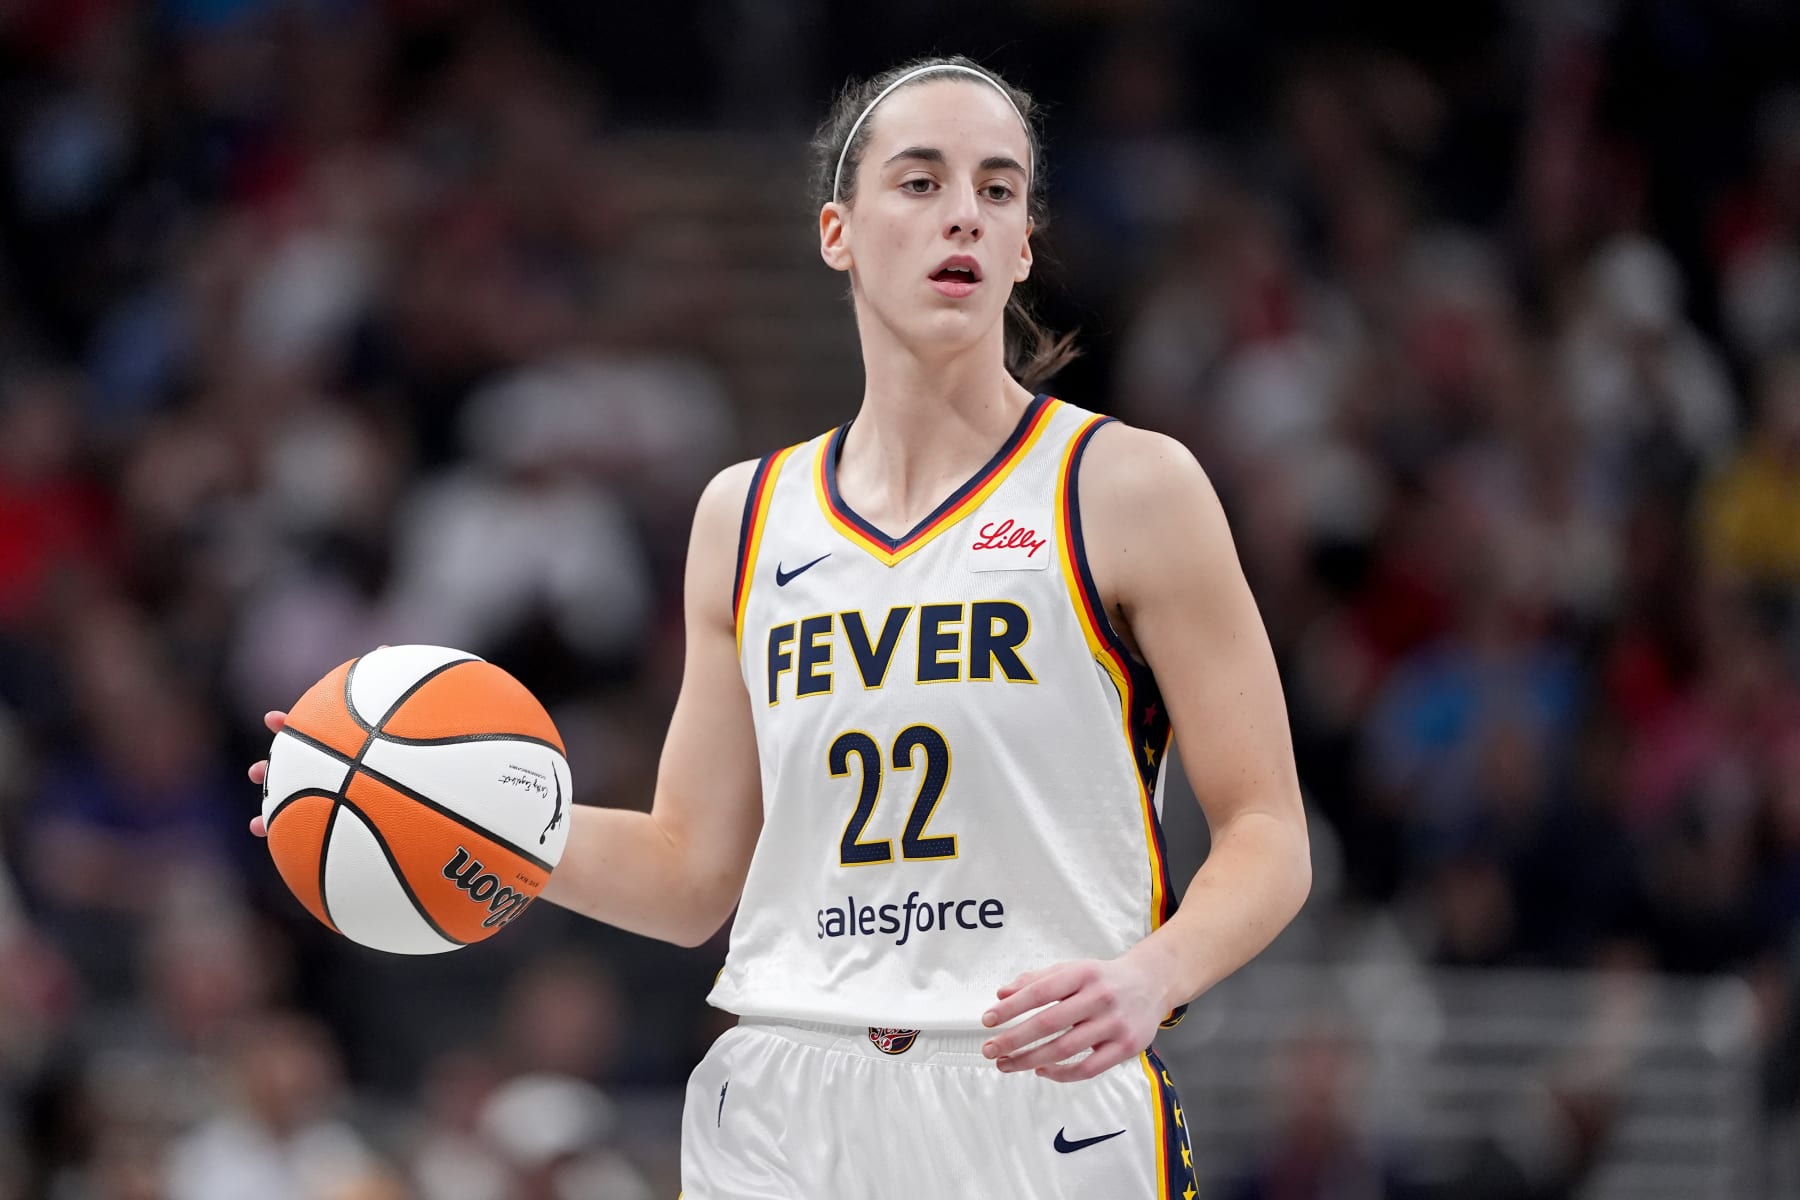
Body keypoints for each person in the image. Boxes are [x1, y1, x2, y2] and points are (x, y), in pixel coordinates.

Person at [250, 54, 1312, 1198]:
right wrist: (438, 802)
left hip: (1035, 1080)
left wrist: (1155, 974)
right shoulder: (745, 517)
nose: (964, 211)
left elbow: (1267, 830)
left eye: (999, 188)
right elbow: (692, 872)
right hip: (785, 1090)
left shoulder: (1129, 487)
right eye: (921, 180)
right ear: (836, 234)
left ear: (1022, 247)